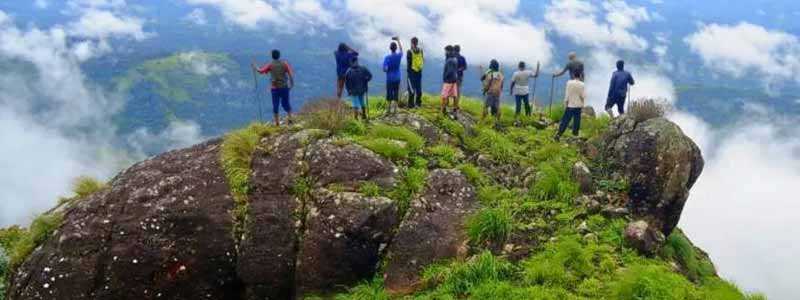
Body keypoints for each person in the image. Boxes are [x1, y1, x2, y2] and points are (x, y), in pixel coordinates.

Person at [252, 49, 295, 126]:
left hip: (274, 88)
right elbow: (290, 74)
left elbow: (261, 71)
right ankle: (290, 119)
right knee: (286, 103)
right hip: (284, 87)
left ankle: (277, 122)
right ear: (279, 55)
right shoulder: (285, 64)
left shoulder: (270, 65)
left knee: (275, 105)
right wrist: (291, 84)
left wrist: (255, 66)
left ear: (272, 56)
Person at [555, 71, 586, 141]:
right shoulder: (582, 84)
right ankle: (575, 136)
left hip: (570, 105)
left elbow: (567, 94)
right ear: (580, 76)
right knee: (577, 121)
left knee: (565, 120)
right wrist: (583, 106)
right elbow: (583, 96)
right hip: (578, 106)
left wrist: (565, 103)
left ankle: (559, 134)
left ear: (573, 75)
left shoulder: (569, 83)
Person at [383, 37, 403, 115]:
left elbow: (384, 69)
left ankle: (388, 110)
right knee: (396, 92)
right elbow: (401, 50)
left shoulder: (387, 58)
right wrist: (398, 40)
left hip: (390, 78)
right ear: (396, 48)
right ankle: (395, 110)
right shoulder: (398, 56)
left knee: (389, 93)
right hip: (397, 78)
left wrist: (387, 68)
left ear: (390, 48)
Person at [441, 45, 460, 117]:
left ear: (448, 51)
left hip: (448, 81)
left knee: (444, 95)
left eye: (445, 51)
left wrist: (445, 78)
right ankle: (455, 109)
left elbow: (450, 71)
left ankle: (444, 110)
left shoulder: (449, 60)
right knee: (454, 95)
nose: (445, 52)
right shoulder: (455, 59)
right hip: (454, 80)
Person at [406, 37, 425, 108]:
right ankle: (418, 103)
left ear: (411, 43)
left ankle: (411, 104)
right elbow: (422, 60)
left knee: (411, 88)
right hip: (419, 71)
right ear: (417, 43)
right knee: (418, 87)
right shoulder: (421, 50)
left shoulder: (409, 51)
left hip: (411, 72)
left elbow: (409, 63)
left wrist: (408, 72)